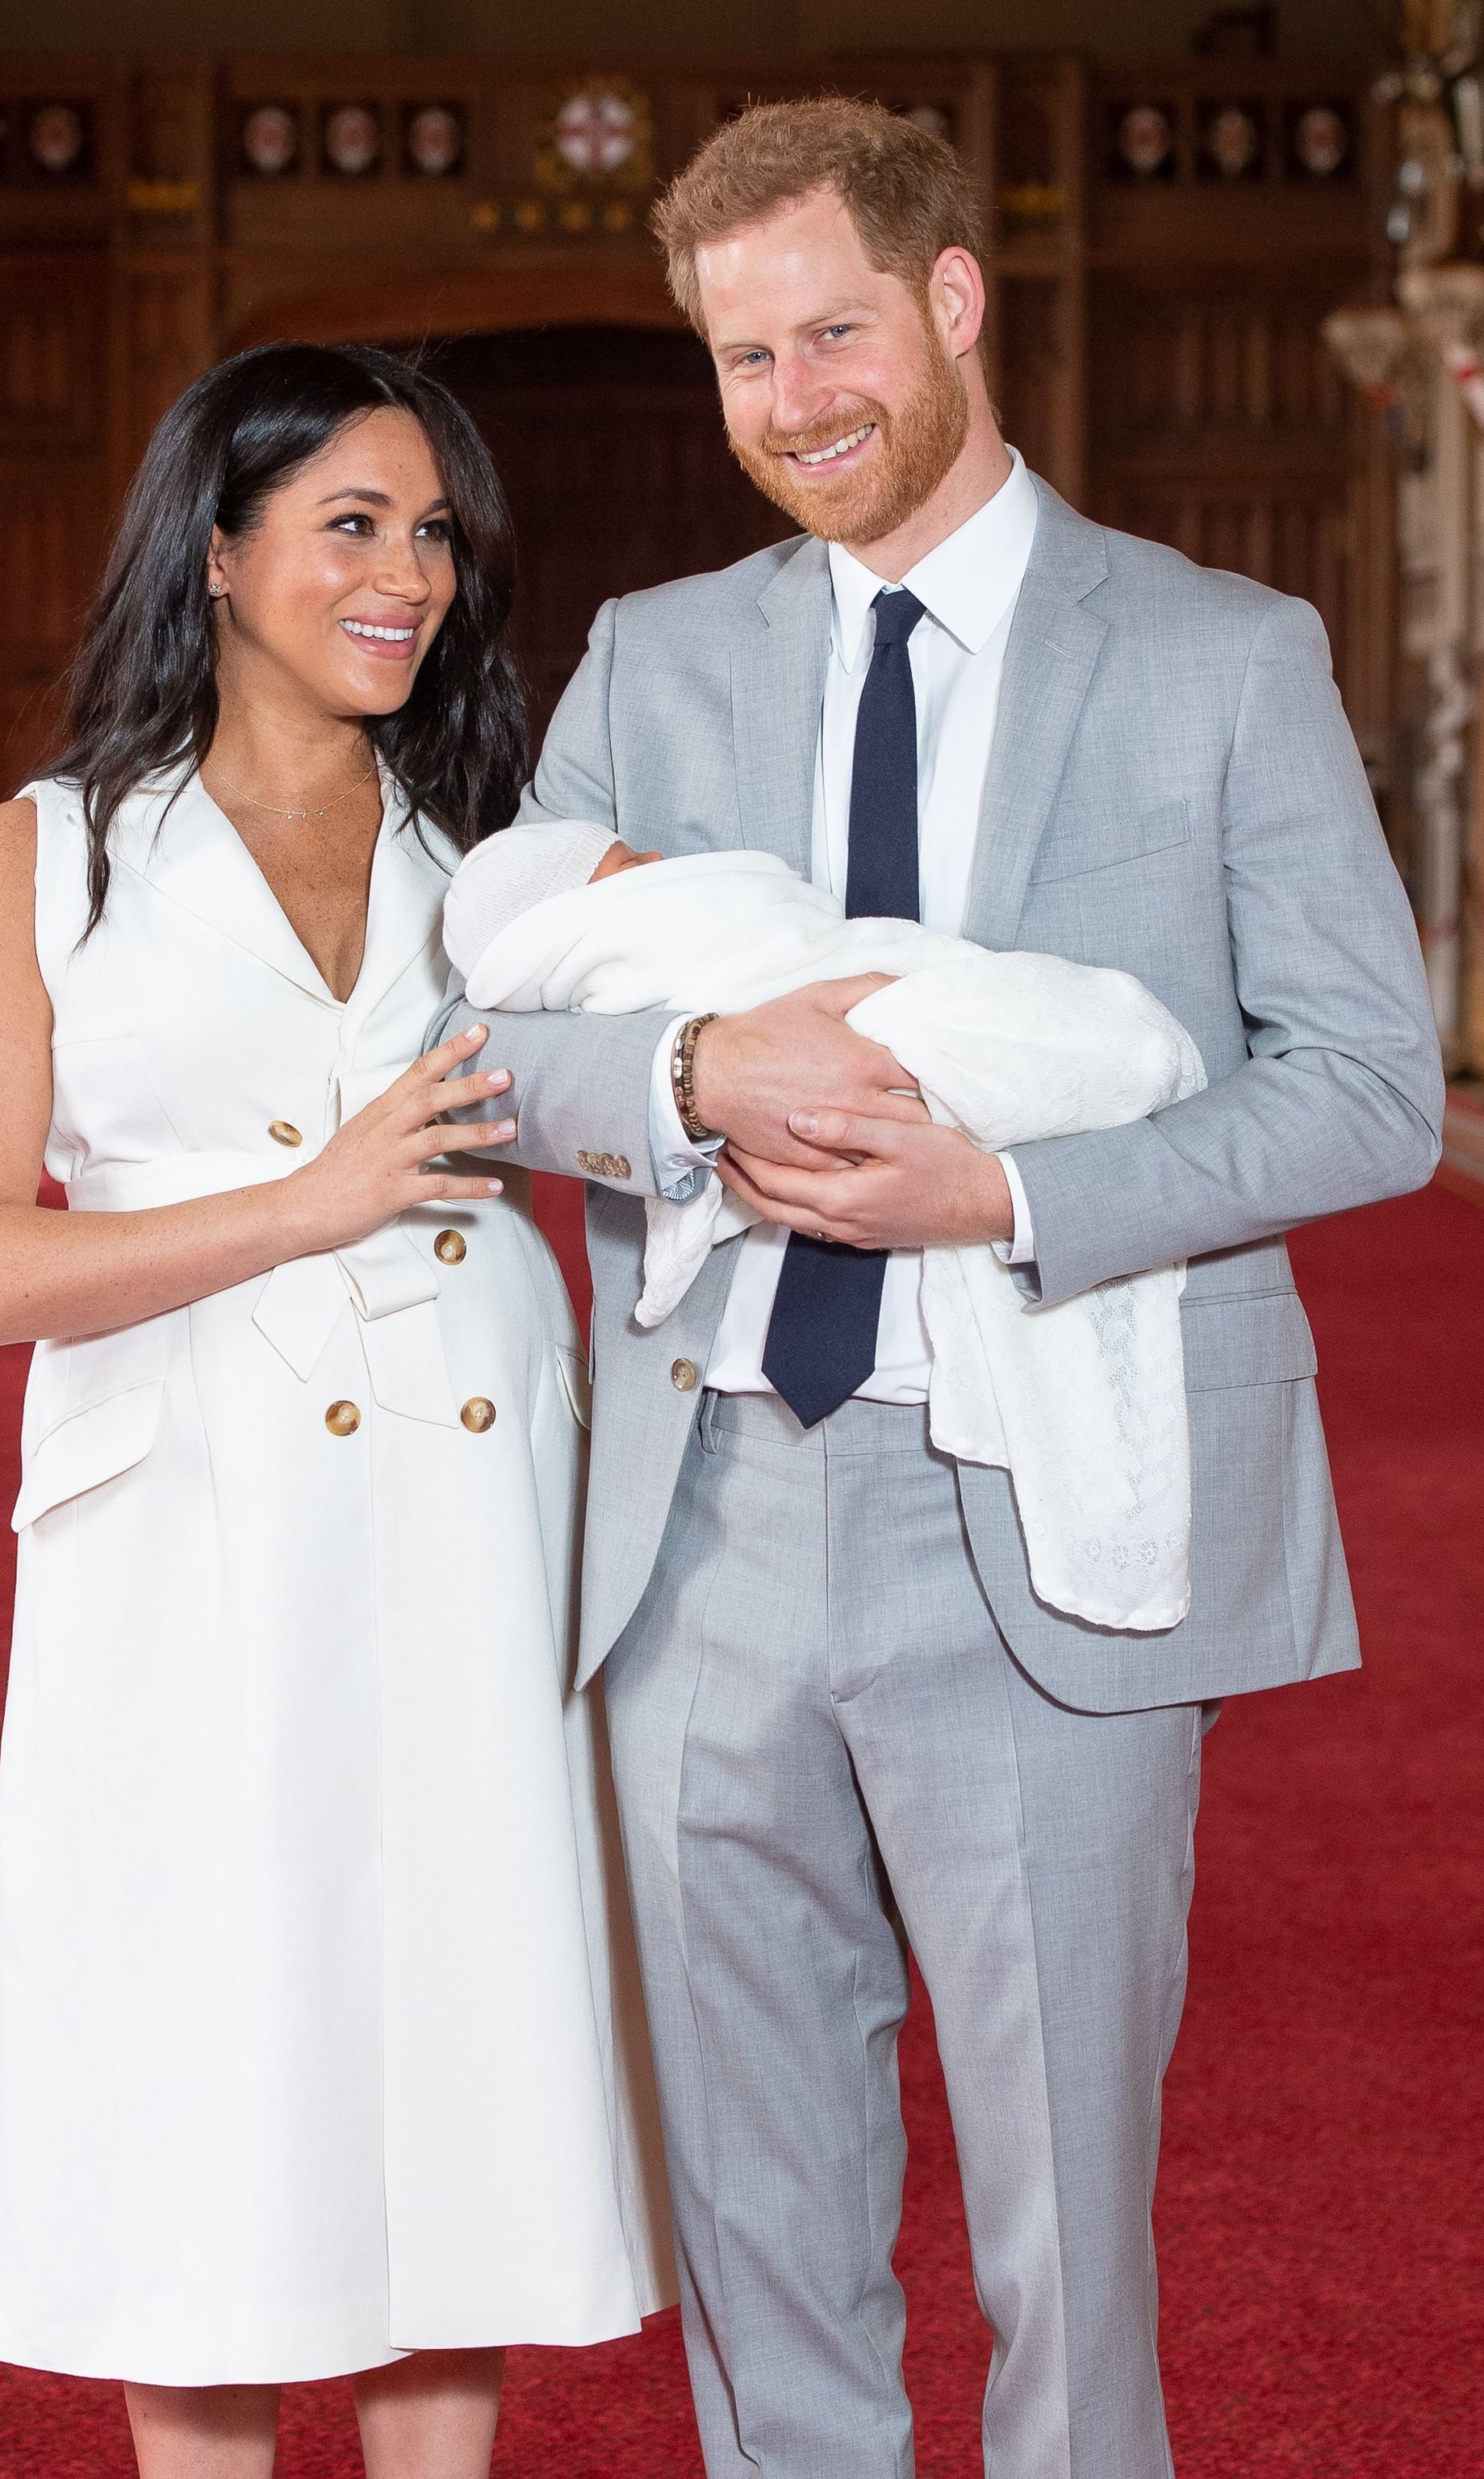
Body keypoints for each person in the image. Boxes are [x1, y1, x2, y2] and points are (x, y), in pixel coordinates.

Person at [437, 98, 1446, 2479]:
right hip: (700, 1529)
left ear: (952, 301)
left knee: (1063, 2229)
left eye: (830, 332)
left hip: (1034, 1498)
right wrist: (690, 1062)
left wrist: (999, 1186)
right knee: (754, 2200)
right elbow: (492, 1042)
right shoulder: (649, 657)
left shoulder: (1216, 655)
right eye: (738, 355)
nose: (790, 399)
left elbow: (1370, 1090)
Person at [0, 341, 671, 2479]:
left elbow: (672, 1088)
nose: (407, 573)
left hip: (472, 1511)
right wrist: (307, 1199)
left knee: (454, 2099)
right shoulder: (41, 857)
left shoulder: (502, 857)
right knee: (217, 2091)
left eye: (433, 534)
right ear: (219, 548)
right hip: (188, 1541)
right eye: (352, 523)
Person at [441, 816, 1206, 1634]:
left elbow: (1354, 1071)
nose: (660, 863)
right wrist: (697, 1075)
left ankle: (1119, 1049)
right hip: (706, 1460)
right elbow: (465, 1048)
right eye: (629, 865)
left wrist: (1004, 1195)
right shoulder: (620, 711)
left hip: (975, 1432)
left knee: (1025, 1028)